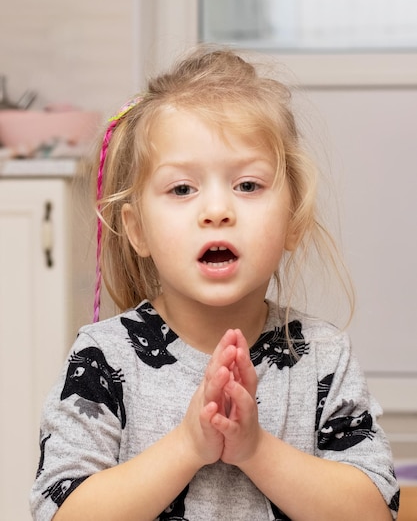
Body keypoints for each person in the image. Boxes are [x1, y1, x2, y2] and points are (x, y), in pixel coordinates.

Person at [30, 47, 399, 521]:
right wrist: (188, 445)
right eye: (182, 188)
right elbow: (60, 513)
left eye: (247, 185)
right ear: (137, 229)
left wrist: (255, 449)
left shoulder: (324, 356)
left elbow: (376, 512)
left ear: (293, 219)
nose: (217, 210)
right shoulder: (104, 357)